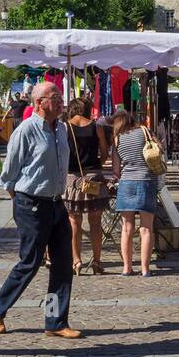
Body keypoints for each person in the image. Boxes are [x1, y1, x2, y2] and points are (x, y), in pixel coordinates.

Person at [0, 81, 81, 340]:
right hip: (32, 204)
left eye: (60, 97)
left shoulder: (61, 128)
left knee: (62, 264)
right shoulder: (25, 131)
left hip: (56, 203)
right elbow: (9, 176)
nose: (61, 101)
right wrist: (22, 202)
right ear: (39, 103)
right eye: (55, 97)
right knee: (31, 262)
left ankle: (55, 320)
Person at [63, 97, 110, 275]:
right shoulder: (96, 127)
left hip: (72, 179)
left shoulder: (65, 127)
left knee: (74, 222)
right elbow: (104, 152)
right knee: (96, 222)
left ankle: (76, 261)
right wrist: (97, 164)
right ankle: (97, 261)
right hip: (94, 178)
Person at [111, 109, 160, 276]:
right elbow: (159, 149)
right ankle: (145, 269)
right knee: (146, 228)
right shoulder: (144, 131)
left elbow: (116, 170)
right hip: (146, 180)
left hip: (126, 183)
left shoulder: (117, 139)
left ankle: (127, 267)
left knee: (126, 228)